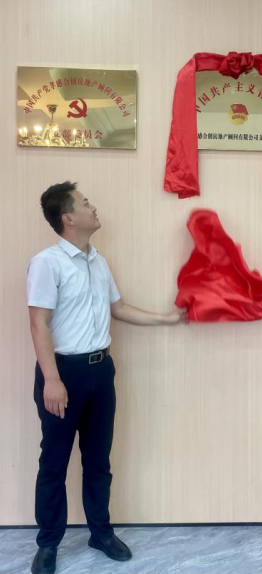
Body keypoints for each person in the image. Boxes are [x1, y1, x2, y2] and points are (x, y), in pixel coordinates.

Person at [27, 181, 185, 574]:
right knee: (54, 463)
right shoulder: (47, 262)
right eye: (85, 203)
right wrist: (51, 380)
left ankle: (101, 533)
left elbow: (120, 308)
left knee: (98, 461)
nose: (93, 208)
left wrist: (167, 319)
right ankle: (48, 543)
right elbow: (39, 323)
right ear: (68, 217)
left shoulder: (99, 261)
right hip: (63, 373)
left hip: (101, 371)